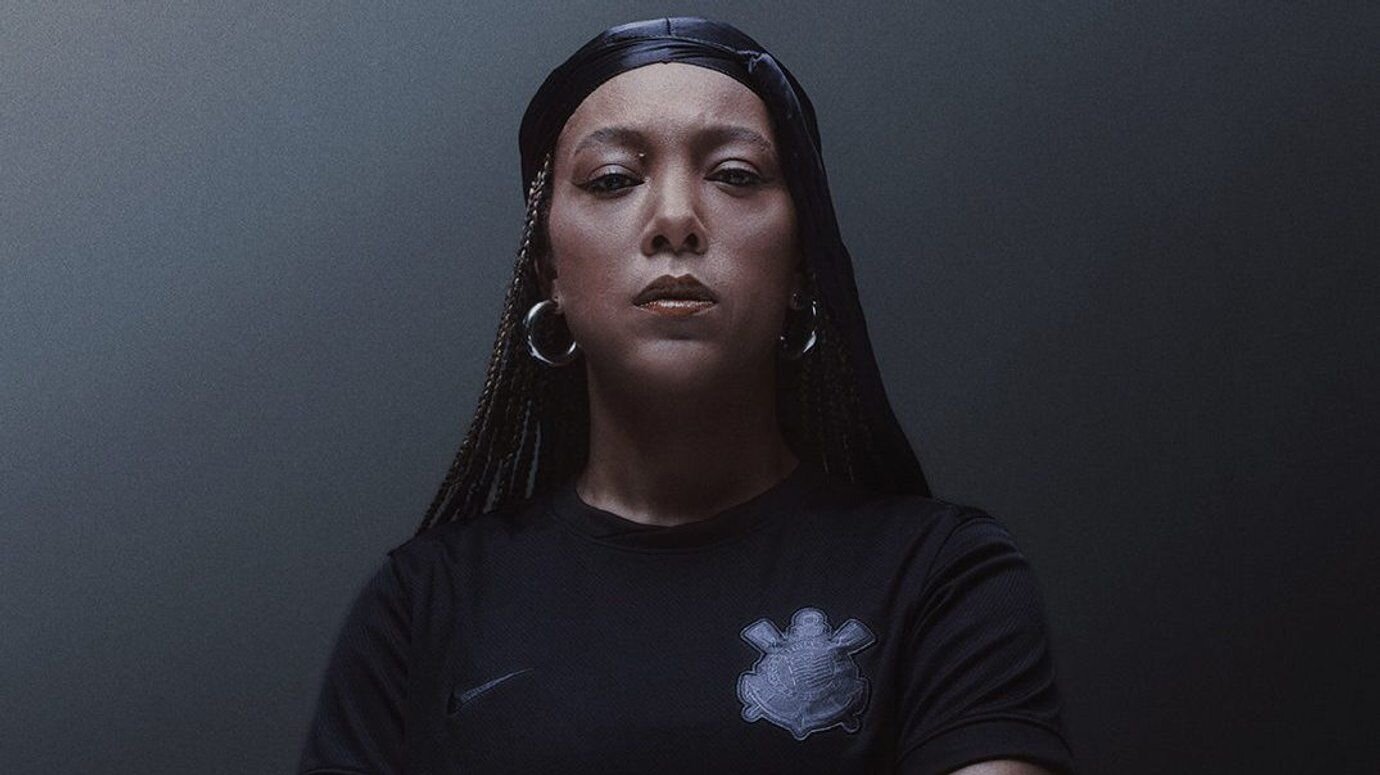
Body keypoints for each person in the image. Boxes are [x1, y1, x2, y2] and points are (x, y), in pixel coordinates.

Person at [299, 16, 1075, 775]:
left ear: (801, 265)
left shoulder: (942, 578)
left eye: (735, 174)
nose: (675, 219)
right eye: (613, 179)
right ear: (549, 272)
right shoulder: (421, 609)